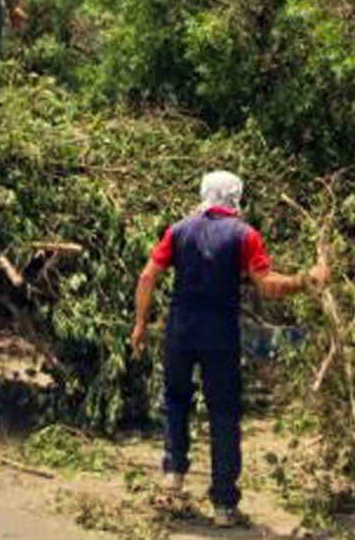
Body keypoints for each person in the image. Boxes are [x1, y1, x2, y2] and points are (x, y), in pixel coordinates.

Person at [130, 171, 330, 528]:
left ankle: (174, 469)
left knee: (175, 398)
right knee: (223, 414)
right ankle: (223, 505)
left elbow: (148, 276)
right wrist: (307, 279)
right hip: (219, 333)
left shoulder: (178, 230)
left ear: (204, 193)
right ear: (236, 197)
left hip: (180, 327)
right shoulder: (245, 235)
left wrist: (140, 324)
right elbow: (268, 285)